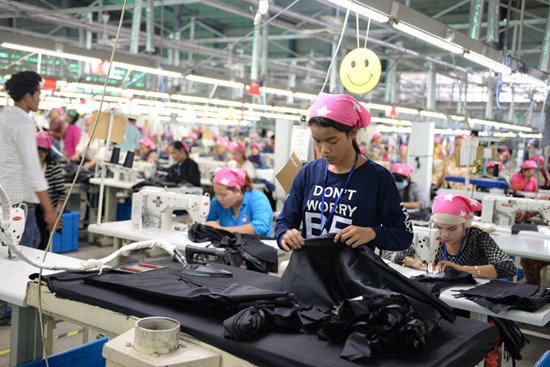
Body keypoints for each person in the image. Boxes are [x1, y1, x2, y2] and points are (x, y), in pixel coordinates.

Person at [275, 93, 413, 252]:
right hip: (310, 269)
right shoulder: (308, 173)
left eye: (333, 141)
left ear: (353, 132)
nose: (324, 150)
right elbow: (284, 222)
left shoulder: (378, 178)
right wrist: (284, 235)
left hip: (353, 273)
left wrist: (372, 233)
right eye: (317, 141)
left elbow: (404, 235)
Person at [0, 71, 58, 248]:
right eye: (38, 93)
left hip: (4, 198)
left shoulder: (3, 117)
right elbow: (33, 168)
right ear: (27, 96)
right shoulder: (24, 123)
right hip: (19, 203)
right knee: (24, 256)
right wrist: (49, 210)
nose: (40, 98)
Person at [205, 167, 273, 237]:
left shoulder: (258, 199)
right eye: (216, 193)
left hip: (258, 246)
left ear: (237, 191)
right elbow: (203, 220)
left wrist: (221, 229)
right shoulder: (217, 202)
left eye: (223, 194)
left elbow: (260, 228)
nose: (219, 198)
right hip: (230, 246)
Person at [35, 131, 67, 250]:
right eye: (38, 149)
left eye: (43, 150)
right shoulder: (29, 166)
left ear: (48, 151)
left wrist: (57, 212)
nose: (40, 153)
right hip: (31, 209)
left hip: (45, 211)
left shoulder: (53, 167)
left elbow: (62, 193)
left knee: (42, 242)